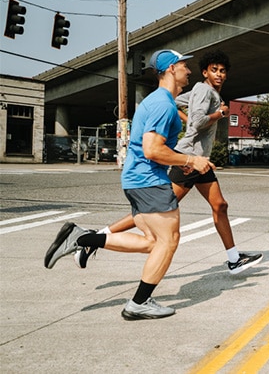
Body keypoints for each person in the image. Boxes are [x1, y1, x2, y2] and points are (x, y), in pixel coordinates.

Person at [44, 49, 215, 320]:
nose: (189, 70)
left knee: (152, 242)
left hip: (138, 179)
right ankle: (138, 302)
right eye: (184, 65)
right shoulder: (163, 104)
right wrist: (191, 159)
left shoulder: (157, 101)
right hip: (149, 181)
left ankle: (84, 238)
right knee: (169, 241)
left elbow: (150, 147)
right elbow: (151, 149)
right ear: (171, 68)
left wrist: (178, 160)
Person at [73, 50, 262, 274]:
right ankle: (94, 238)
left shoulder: (201, 91)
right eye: (214, 70)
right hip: (189, 158)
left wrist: (190, 121)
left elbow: (176, 103)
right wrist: (219, 114)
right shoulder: (204, 90)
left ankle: (234, 259)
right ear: (205, 72)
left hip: (199, 160)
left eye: (222, 71)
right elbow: (199, 121)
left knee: (220, 205)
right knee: (152, 212)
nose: (219, 74)